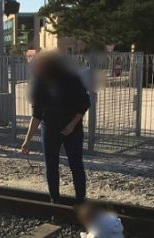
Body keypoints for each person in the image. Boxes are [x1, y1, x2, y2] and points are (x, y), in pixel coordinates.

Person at [21, 51, 90, 204]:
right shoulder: (39, 82)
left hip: (73, 128)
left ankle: (81, 199)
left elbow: (84, 104)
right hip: (49, 128)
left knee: (76, 164)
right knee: (51, 165)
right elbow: (37, 114)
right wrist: (27, 140)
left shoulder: (72, 79)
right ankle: (54, 200)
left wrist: (71, 126)